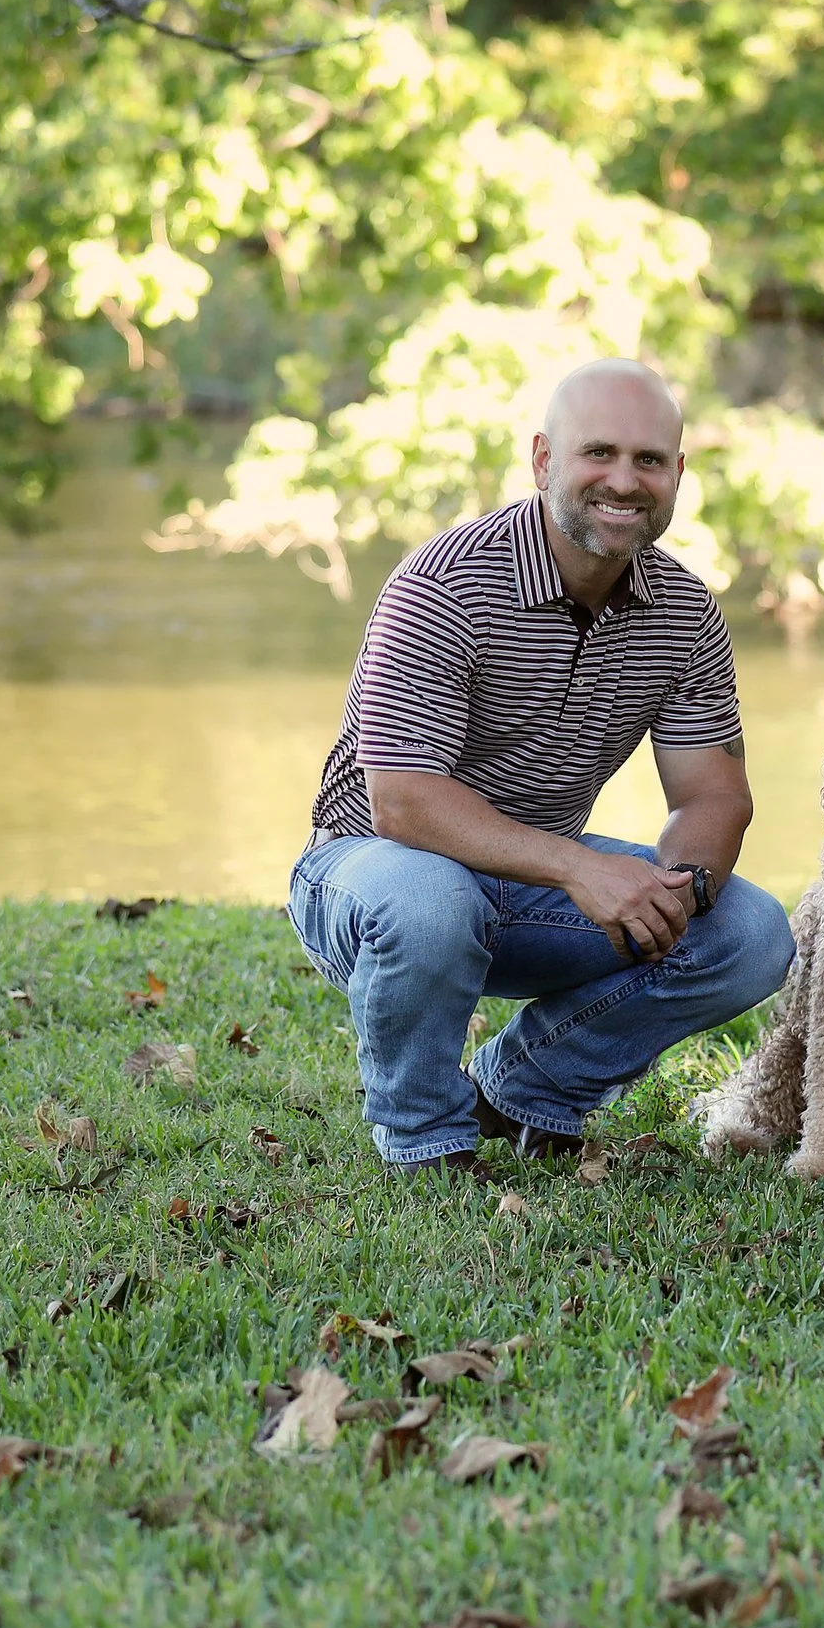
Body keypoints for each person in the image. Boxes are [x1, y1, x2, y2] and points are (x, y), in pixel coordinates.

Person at [288, 359, 796, 1172]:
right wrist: (580, 869)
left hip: (530, 886)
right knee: (430, 900)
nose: (624, 482)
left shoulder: (685, 611)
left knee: (750, 932)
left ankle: (523, 1091)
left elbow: (714, 795)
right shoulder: (443, 585)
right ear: (543, 460)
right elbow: (404, 804)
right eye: (599, 453)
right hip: (370, 874)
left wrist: (679, 893)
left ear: (677, 474)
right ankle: (423, 1136)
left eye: (649, 461)